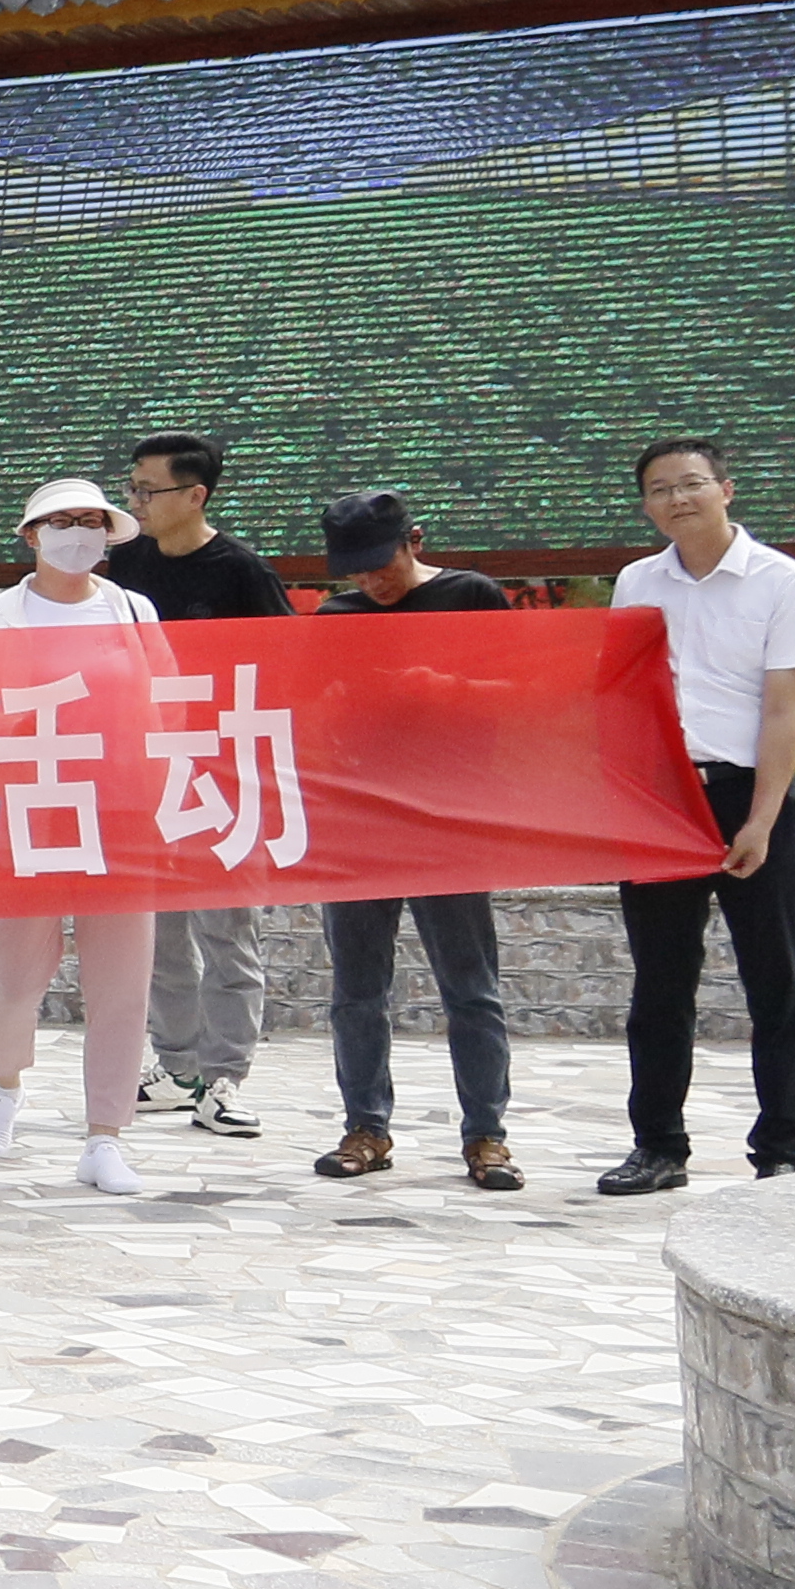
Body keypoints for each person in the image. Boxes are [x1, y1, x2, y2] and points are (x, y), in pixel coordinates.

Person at [601, 438, 795, 1197]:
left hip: (748, 796)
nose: (678, 498)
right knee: (660, 984)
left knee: (774, 978)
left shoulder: (782, 583)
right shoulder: (636, 582)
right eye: (660, 489)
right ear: (646, 505)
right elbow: (623, 698)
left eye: (692, 484)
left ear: (727, 489)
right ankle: (657, 1145)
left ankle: (782, 1148)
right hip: (661, 799)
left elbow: (783, 710)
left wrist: (760, 821)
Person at [309, 489, 521, 1194]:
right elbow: (311, 710)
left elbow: (526, 687)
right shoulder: (337, 617)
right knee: (356, 989)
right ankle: (365, 1125)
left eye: (381, 564)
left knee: (471, 988)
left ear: (415, 539)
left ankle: (486, 1134)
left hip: (450, 814)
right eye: (357, 571)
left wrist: (445, 686)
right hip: (359, 815)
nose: (372, 582)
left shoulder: (473, 596)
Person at [0, 479, 161, 1196]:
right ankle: (5, 1085)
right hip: (30, 814)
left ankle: (105, 1135)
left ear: (109, 535)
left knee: (122, 982)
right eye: (60, 523)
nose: (76, 534)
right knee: (13, 974)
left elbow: (166, 705)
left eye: (89, 522)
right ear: (30, 536)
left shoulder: (133, 612)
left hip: (119, 820)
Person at [107, 432, 291, 1140]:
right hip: (145, 776)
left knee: (227, 928)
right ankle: (177, 1065)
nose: (136, 503)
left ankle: (226, 1077)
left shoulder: (243, 573)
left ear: (195, 496)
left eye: (148, 491)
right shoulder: (122, 569)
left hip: (223, 775)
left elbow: (285, 673)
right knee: (160, 932)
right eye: (131, 489)